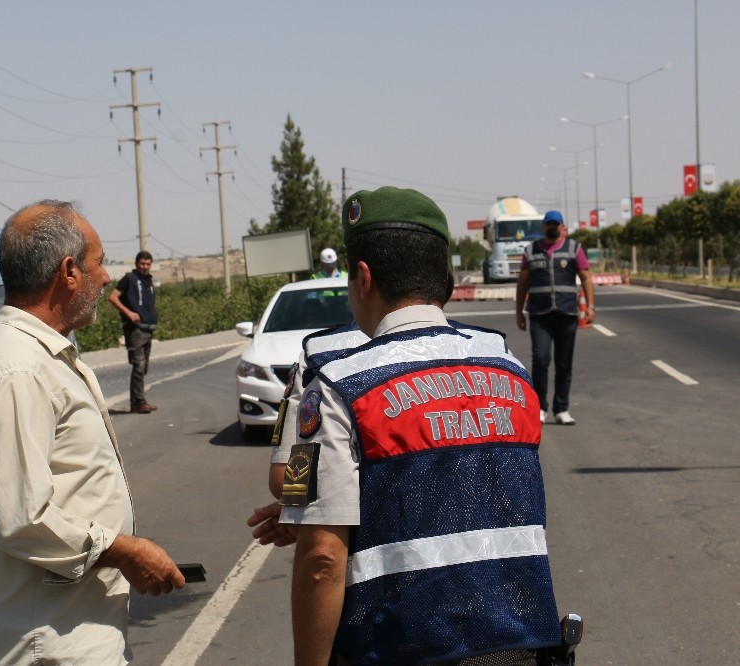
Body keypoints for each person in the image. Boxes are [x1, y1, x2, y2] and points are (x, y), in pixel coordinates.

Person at [254, 186, 562, 665]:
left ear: (361, 277)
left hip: (400, 648)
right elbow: (479, 493)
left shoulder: (334, 378)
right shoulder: (510, 370)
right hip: (521, 646)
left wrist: (311, 515)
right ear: (445, 276)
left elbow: (321, 560)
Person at [0, 200, 184, 666]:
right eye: (99, 262)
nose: (106, 277)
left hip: (64, 629)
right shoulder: (16, 371)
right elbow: (22, 519)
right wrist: (124, 550)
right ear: (68, 272)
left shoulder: (35, 356)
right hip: (40, 643)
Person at [514, 210, 595, 426]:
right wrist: (518, 312)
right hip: (540, 315)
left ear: (561, 227)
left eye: (555, 224)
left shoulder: (574, 248)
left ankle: (562, 408)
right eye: (548, 224)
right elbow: (522, 283)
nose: (552, 227)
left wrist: (591, 306)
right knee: (541, 360)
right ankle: (540, 407)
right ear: (543, 226)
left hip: (567, 313)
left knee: (564, 363)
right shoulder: (531, 251)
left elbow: (586, 278)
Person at [108, 251, 159, 413]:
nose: (145, 267)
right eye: (142, 264)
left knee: (143, 368)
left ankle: (136, 402)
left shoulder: (148, 281)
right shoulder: (129, 279)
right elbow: (113, 297)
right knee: (138, 365)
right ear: (137, 264)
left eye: (147, 264)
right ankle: (139, 402)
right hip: (135, 330)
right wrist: (129, 313)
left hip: (147, 328)